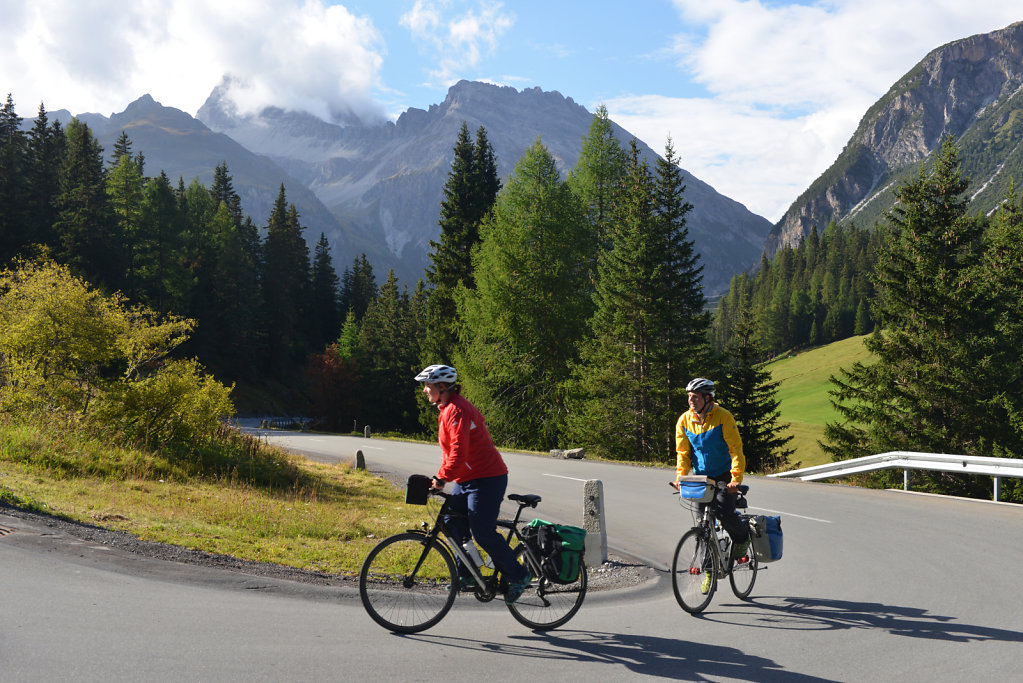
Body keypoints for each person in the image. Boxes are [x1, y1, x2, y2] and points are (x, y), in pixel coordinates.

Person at [414, 364, 532, 603]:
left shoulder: (458, 410)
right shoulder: (446, 408)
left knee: (482, 531)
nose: (424, 390)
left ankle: (519, 575)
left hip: (487, 478)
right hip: (467, 479)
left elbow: (459, 453)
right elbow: (451, 455)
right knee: (450, 520)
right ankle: (468, 574)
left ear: (442, 386)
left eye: (427, 385)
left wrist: (442, 478)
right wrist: (441, 477)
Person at [671, 377, 750, 588]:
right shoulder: (684, 420)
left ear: (707, 398)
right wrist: (680, 477)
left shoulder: (723, 417)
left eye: (695, 396)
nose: (691, 400)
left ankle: (742, 539)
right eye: (689, 396)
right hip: (701, 478)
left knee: (724, 513)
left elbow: (735, 449)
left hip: (725, 475)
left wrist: (736, 479)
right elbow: (683, 453)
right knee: (702, 527)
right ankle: (709, 572)